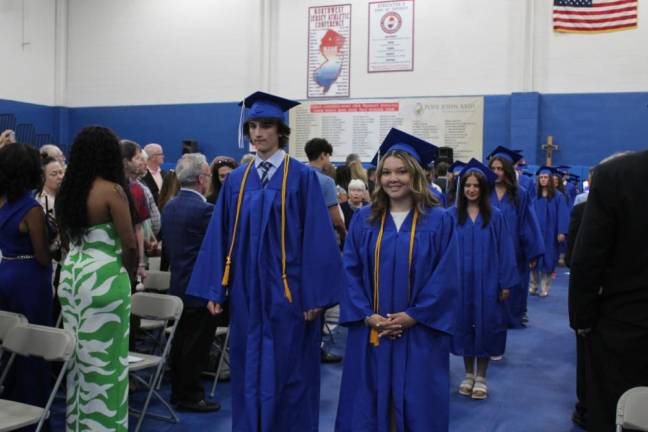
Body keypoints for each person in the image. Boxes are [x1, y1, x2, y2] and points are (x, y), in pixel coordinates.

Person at [186, 91, 344, 432]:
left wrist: (315, 296)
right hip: (247, 294)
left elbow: (318, 238)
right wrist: (216, 288)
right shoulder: (237, 182)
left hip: (290, 294)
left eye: (266, 126)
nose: (258, 133)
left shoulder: (302, 179)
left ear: (281, 131)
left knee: (290, 370)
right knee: (249, 366)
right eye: (253, 126)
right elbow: (220, 235)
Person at [336, 128, 459, 432]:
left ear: (416, 175)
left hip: (419, 333)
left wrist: (413, 316)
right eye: (387, 172)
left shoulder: (440, 220)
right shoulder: (365, 220)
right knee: (369, 399)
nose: (393, 178)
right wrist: (367, 316)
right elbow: (348, 271)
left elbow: (447, 276)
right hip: (372, 332)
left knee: (416, 401)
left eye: (402, 171)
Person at [55, 126, 137, 432]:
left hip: (73, 275)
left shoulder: (68, 191)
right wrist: (127, 277)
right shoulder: (112, 191)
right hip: (105, 278)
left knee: (79, 358)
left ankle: (78, 425)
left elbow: (64, 242)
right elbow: (129, 244)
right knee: (109, 359)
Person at [570, 150, 648, 432]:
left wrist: (582, 321)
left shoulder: (618, 175)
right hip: (625, 328)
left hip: (624, 330)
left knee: (617, 415)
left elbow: (587, 261)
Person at [449, 159, 518, 400]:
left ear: (483, 188)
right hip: (460, 283)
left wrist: (505, 282)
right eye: (467, 185)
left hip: (488, 282)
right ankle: (468, 373)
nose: (471, 189)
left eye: (476, 185)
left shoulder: (496, 217)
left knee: (487, 325)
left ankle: (482, 376)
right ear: (462, 188)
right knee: (465, 324)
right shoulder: (451, 216)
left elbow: (506, 251)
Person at [161, 153, 220, 412]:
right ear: (201, 179)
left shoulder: (170, 206)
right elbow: (216, 249)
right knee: (196, 346)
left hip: (178, 284)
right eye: (207, 175)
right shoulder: (206, 210)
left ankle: (179, 392)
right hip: (200, 287)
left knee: (181, 342)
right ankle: (192, 396)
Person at [0, 143, 53, 428]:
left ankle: (9, 410)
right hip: (30, 278)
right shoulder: (32, 208)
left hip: (5, 270)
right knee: (34, 346)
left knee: (10, 344)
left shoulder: (2, 202)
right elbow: (43, 256)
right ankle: (34, 414)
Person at [487, 146, 543, 329]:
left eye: (500, 169)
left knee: (516, 283)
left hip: (514, 249)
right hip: (488, 249)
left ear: (508, 170)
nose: (496, 172)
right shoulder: (485, 192)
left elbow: (528, 223)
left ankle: (514, 315)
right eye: (493, 169)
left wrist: (531, 252)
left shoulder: (520, 194)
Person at [529, 167, 568, 297]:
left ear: (550, 180)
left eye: (546, 177)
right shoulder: (535, 197)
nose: (543, 180)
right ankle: (533, 285)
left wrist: (561, 231)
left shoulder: (558, 197)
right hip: (537, 234)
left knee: (548, 260)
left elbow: (562, 215)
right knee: (534, 259)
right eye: (541, 178)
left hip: (551, 234)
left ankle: (545, 287)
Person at [305, 137, 346, 245]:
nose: (329, 161)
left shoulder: (295, 176)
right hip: (321, 238)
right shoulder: (326, 181)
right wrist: (345, 235)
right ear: (323, 155)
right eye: (329, 156)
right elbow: (336, 220)